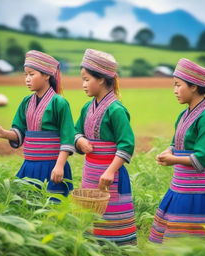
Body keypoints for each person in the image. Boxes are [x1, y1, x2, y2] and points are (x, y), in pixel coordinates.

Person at [149, 58, 205, 243]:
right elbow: (175, 144)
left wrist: (173, 160)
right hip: (181, 184)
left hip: (200, 188)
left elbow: (203, 158)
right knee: (179, 239)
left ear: (193, 87)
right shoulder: (183, 115)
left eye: (178, 85)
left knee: (195, 241)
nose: (174, 90)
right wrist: (167, 152)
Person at [0, 50, 75, 197]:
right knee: (25, 203)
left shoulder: (59, 102)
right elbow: (19, 132)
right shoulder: (26, 102)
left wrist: (59, 166)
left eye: (31, 74)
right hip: (29, 164)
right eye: (25, 75)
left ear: (47, 75)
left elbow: (67, 136)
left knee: (51, 207)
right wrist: (3, 133)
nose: (27, 79)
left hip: (52, 165)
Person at [75, 49, 137, 245]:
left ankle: (116, 247)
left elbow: (126, 144)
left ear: (101, 79)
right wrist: (80, 141)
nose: (83, 85)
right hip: (90, 171)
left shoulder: (116, 110)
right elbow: (75, 131)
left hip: (111, 173)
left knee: (113, 218)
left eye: (86, 79)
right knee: (91, 217)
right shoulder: (87, 108)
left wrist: (110, 171)